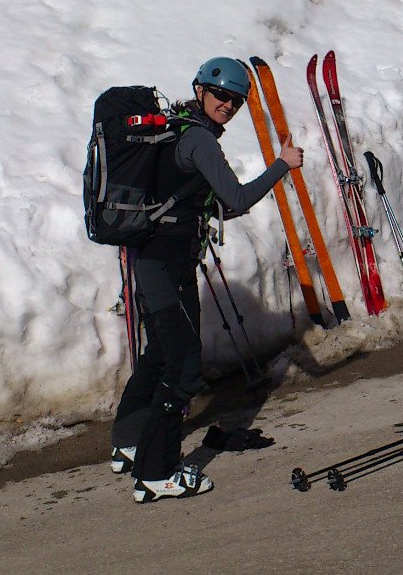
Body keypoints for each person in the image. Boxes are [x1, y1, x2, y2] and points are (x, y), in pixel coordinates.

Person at [109, 57, 302, 503]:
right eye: (221, 96)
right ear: (200, 90)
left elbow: (220, 203)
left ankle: (128, 443)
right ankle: (156, 472)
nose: (227, 105)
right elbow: (236, 197)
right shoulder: (198, 140)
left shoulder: (174, 128)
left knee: (159, 354)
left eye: (235, 101)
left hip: (151, 260)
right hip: (167, 265)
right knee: (183, 367)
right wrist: (281, 165)